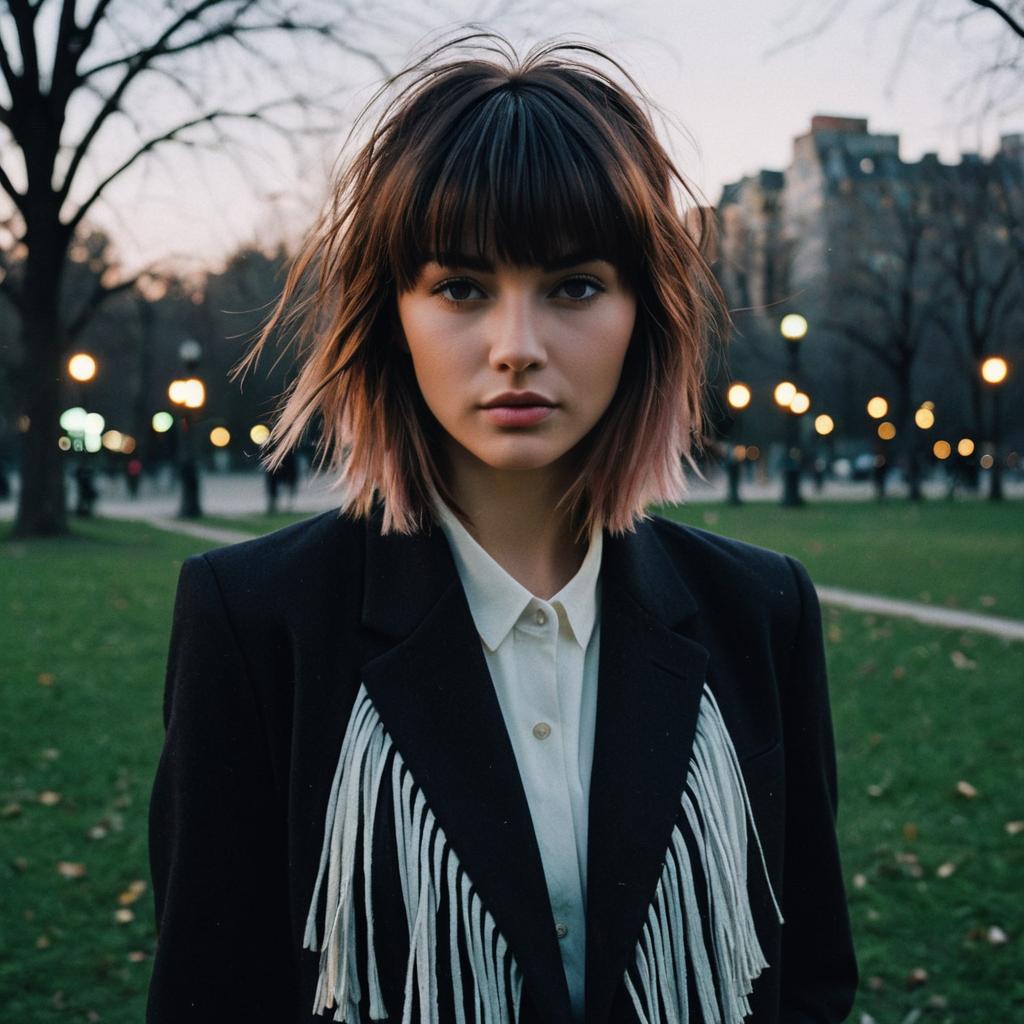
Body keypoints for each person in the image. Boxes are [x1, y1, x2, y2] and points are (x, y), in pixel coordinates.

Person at [146, 35, 857, 1024]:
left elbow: (807, 978)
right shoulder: (257, 621)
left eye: (572, 286)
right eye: (461, 288)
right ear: (390, 312)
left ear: (640, 312)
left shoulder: (759, 609)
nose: (515, 347)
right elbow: (209, 994)